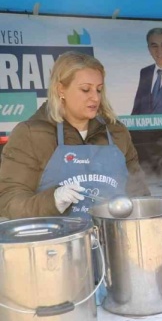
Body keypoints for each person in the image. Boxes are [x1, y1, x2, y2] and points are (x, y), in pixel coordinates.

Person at [0, 52, 150, 221]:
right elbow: (8, 201)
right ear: (60, 89)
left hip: (112, 240)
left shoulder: (117, 133)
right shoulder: (31, 134)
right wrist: (53, 201)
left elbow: (139, 192)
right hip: (57, 242)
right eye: (85, 89)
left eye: (99, 89)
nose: (95, 97)